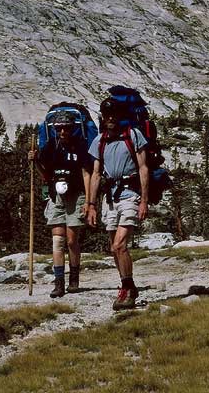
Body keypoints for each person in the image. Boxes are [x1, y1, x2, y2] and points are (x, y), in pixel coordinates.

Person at [88, 97, 149, 310]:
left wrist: (144, 200)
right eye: (107, 115)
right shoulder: (99, 141)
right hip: (110, 198)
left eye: (114, 114)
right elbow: (96, 174)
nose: (110, 118)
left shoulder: (133, 135)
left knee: (119, 245)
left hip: (130, 194)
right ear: (103, 117)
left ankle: (128, 288)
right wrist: (91, 205)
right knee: (114, 248)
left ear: (120, 116)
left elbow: (143, 168)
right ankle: (127, 285)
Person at [29, 106, 95, 298]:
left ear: (72, 127)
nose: (63, 131)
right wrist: (35, 162)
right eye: (59, 128)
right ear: (55, 129)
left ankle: (74, 278)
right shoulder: (50, 147)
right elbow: (46, 175)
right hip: (55, 195)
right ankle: (59, 284)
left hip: (76, 196)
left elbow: (86, 173)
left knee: (72, 240)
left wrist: (88, 201)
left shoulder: (80, 146)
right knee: (58, 241)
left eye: (66, 128)